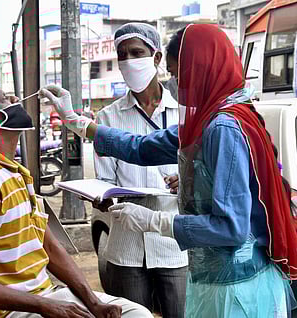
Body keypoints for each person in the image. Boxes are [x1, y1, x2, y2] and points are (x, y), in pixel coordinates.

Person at [39, 24, 297, 317]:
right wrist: (75, 121)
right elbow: (140, 147)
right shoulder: (206, 122)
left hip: (237, 289)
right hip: (216, 280)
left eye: (180, 75)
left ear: (203, 70)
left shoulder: (223, 127)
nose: (178, 84)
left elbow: (231, 227)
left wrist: (154, 221)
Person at [0, 78, 153, 318]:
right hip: (3, 312)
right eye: (3, 99)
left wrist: (93, 302)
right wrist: (43, 306)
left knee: (137, 314)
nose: (14, 100)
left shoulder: (13, 173)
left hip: (42, 296)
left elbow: (50, 248)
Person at [95, 22, 188, 317]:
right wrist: (103, 197)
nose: (128, 61)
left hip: (173, 244)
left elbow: (201, 169)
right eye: (122, 55)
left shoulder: (184, 113)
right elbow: (104, 181)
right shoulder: (106, 118)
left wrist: (185, 181)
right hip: (126, 245)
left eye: (136, 52)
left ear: (157, 58)